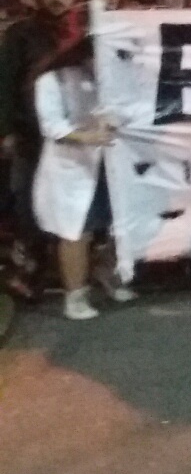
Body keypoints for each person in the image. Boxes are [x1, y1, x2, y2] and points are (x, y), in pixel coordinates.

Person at [31, 18, 127, 320]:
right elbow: (52, 125)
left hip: (108, 165)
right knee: (76, 232)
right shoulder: (53, 80)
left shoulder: (113, 79)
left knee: (118, 227)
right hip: (72, 169)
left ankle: (106, 275)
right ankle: (75, 295)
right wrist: (88, 136)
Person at [0, 0, 76, 289]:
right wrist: (5, 132)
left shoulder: (81, 32)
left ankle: (66, 271)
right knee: (29, 204)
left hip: (73, 137)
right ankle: (29, 272)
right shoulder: (20, 34)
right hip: (30, 136)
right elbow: (5, 84)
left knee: (67, 205)